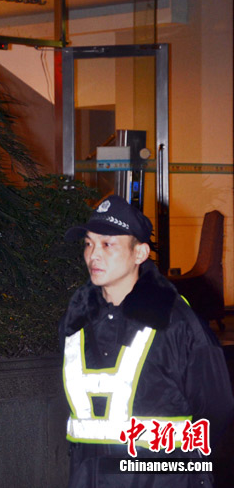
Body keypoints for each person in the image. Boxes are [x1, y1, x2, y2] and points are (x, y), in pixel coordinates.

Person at [60, 195, 234, 488]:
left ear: (140, 253)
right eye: (88, 243)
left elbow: (217, 410)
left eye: (108, 244)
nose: (93, 255)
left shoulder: (177, 322)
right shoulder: (76, 321)